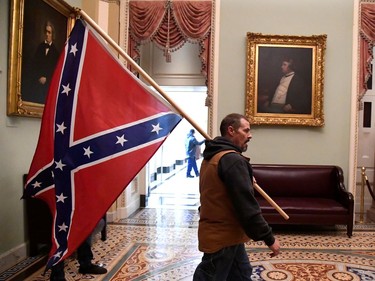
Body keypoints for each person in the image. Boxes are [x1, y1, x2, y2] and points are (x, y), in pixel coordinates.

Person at [193, 113, 280, 280]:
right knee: (209, 276)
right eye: (246, 130)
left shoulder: (214, 156)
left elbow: (220, 188)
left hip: (230, 234)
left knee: (242, 274)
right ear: (231, 130)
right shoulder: (232, 160)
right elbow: (247, 207)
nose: (250, 135)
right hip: (222, 236)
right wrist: (269, 238)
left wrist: (243, 176)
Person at [28, 21, 60, 104]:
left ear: (52, 34)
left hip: (48, 86)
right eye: (45, 32)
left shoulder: (56, 52)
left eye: (49, 32)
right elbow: (33, 65)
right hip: (37, 84)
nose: (47, 34)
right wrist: (39, 77)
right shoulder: (39, 48)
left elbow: (55, 71)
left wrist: (47, 78)